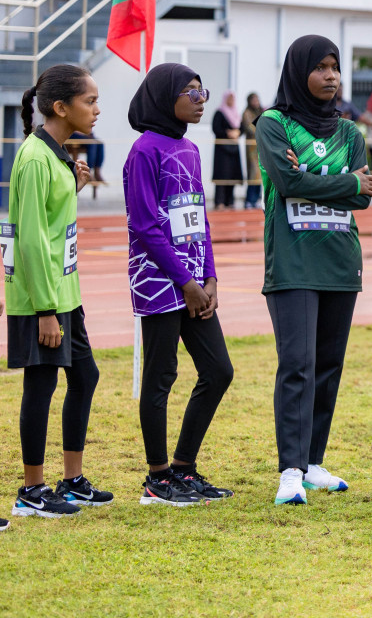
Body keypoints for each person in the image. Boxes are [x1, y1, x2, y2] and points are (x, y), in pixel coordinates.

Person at [257, 35, 372, 504]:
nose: (331, 76)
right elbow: (285, 183)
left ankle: (312, 462)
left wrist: (324, 183)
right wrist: (343, 180)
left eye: (336, 67)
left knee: (328, 366)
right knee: (297, 366)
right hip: (292, 263)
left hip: (340, 262)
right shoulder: (273, 123)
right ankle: (289, 469)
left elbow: (364, 196)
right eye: (321, 67)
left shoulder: (350, 133)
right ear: (298, 71)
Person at [124, 64, 236, 505]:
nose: (200, 97)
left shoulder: (190, 149)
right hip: (159, 281)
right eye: (190, 91)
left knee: (218, 370)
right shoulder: (143, 151)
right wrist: (185, 280)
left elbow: (199, 218)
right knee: (161, 375)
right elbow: (146, 225)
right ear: (163, 97)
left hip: (193, 281)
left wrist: (209, 275)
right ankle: (157, 477)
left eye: (201, 89)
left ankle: (184, 468)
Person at [7, 65, 109, 522]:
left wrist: (77, 184)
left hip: (67, 294)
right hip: (42, 299)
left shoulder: (58, 155)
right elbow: (29, 239)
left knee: (85, 378)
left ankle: (71, 480)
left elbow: (52, 222)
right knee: (41, 384)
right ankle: (31, 490)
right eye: (90, 101)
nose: (97, 109)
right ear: (61, 107)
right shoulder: (33, 158)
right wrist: (46, 310)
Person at [210, 91, 244, 210]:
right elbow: (215, 128)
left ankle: (230, 201)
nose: (231, 100)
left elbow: (242, 127)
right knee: (222, 175)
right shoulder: (220, 112)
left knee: (232, 175)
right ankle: (219, 202)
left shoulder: (236, 113)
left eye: (232, 98)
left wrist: (238, 132)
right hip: (222, 149)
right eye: (229, 98)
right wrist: (227, 133)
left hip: (234, 149)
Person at [240, 93, 264, 208]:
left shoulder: (261, 112)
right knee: (253, 172)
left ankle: (257, 198)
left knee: (260, 172)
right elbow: (250, 128)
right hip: (251, 147)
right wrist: (262, 131)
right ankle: (250, 199)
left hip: (261, 146)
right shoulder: (247, 113)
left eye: (257, 99)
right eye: (254, 100)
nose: (256, 102)